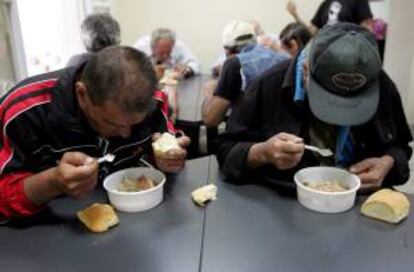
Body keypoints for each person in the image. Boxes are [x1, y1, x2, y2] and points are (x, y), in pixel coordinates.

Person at [217, 23, 412, 193]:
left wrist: (389, 161)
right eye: (329, 99)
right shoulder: (268, 86)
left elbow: (401, 145)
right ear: (305, 70)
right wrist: (261, 153)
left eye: (353, 103)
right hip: (284, 205)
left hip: (360, 205)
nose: (339, 116)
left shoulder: (382, 86)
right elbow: (225, 150)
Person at [0, 46, 190, 220]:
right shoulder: (22, 111)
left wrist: (166, 159)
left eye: (134, 124)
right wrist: (53, 182)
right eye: (111, 123)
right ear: (82, 94)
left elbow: (165, 141)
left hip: (133, 221)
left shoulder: (152, 101)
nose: (125, 135)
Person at [202, 20, 290, 128]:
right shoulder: (285, 59)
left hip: (250, 138)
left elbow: (211, 120)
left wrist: (209, 92)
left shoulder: (234, 63)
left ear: (227, 50)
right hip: (285, 132)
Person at [134, 28, 200, 79]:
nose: (165, 56)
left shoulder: (178, 46)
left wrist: (187, 69)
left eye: (168, 52)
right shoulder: (140, 47)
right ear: (152, 47)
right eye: (161, 53)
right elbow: (128, 69)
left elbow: (196, 64)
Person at [287, 0, 373, 34]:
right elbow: (313, 31)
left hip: (348, 54)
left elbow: (367, 30)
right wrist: (295, 15)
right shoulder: (326, 3)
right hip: (326, 53)